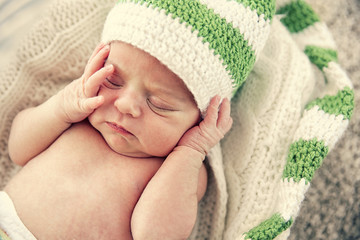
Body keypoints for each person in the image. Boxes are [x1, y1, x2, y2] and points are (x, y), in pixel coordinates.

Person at [0, 1, 275, 239]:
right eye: (112, 80)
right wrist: (62, 107)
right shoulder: (78, 117)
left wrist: (191, 151)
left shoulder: (177, 169)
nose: (126, 104)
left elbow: (154, 234)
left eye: (160, 104)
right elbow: (19, 150)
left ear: (199, 121)